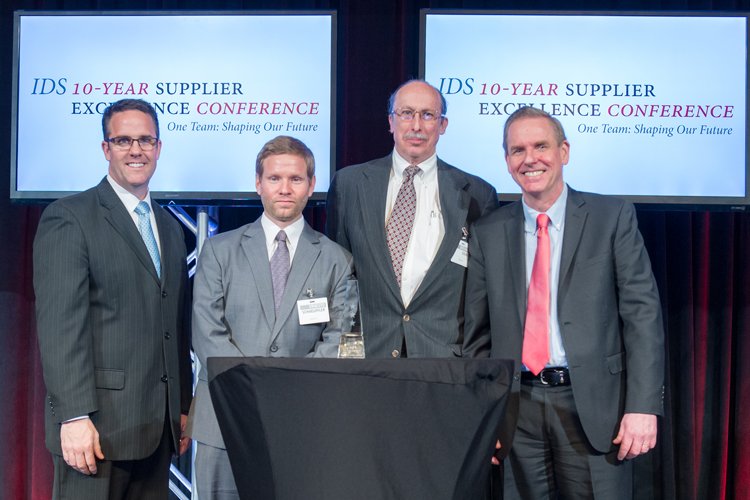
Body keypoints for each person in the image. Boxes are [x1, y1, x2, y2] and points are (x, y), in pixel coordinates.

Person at [463, 106, 665, 499]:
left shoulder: (612, 217)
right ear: (507, 161)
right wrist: (486, 417)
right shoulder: (488, 232)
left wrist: (643, 405)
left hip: (594, 407)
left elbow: (642, 316)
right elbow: (477, 334)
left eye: (541, 146)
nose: (530, 158)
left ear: (564, 152)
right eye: (517, 150)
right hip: (518, 410)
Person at [33, 98, 192, 499]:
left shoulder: (171, 229)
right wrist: (73, 416)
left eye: (145, 140)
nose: (136, 150)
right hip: (96, 433)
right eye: (123, 140)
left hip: (157, 432)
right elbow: (60, 327)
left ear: (159, 147)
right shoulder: (70, 217)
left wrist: (182, 407)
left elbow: (176, 324)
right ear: (106, 148)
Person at [190, 135, 355, 499]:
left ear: (311, 186)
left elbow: (338, 339)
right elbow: (207, 334)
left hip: (301, 420)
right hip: (224, 421)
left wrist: (283, 390)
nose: (285, 188)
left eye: (296, 179)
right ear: (258, 183)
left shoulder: (336, 259)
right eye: (274, 178)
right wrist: (252, 389)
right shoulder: (218, 251)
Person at [326, 79, 497, 358]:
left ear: (442, 125)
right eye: (407, 113)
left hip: (443, 362)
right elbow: (339, 278)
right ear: (391, 122)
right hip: (368, 358)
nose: (416, 125)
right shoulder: (350, 184)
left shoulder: (477, 194)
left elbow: (481, 294)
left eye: (428, 115)